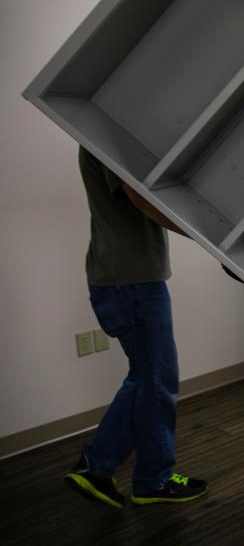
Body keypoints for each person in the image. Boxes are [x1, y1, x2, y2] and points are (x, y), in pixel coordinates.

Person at [65, 147, 207, 508]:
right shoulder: (103, 140)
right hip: (130, 284)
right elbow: (142, 202)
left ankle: (119, 471)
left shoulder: (111, 137)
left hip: (129, 281)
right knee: (155, 381)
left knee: (149, 380)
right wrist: (210, 239)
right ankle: (134, 476)